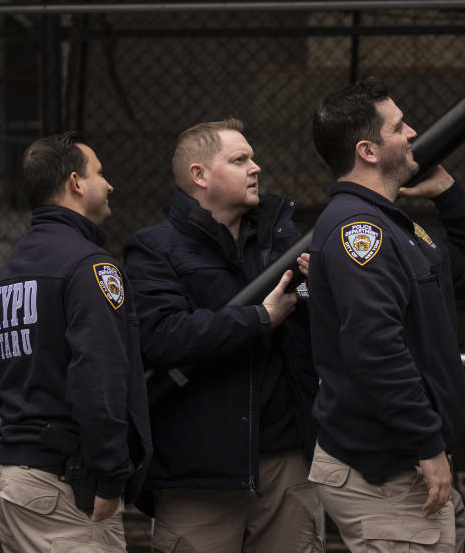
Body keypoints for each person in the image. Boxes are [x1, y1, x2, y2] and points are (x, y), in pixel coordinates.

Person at [307, 78, 465, 552]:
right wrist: (427, 445)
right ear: (368, 151)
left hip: (407, 468)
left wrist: (448, 192)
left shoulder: (399, 226)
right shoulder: (361, 229)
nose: (413, 132)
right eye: (398, 128)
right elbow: (376, 348)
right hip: (388, 473)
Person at [123, 118, 322, 553]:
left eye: (252, 158)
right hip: (201, 473)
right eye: (240, 159)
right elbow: (161, 336)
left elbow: (309, 321)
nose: (256, 168)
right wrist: (258, 319)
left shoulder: (280, 238)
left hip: (285, 462)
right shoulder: (154, 248)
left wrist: (315, 286)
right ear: (199, 175)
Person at [0, 131, 152, 553]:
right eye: (99, 173)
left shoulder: (8, 271)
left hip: (14, 477)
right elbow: (100, 379)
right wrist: (112, 476)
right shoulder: (90, 266)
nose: (109, 184)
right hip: (65, 486)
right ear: (76, 183)